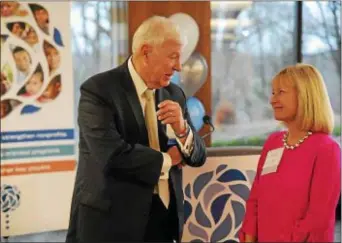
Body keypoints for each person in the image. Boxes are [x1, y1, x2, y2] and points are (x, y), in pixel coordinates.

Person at [66, 16, 207, 243]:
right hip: (111, 224)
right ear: (146, 52)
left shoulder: (175, 93)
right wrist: (167, 160)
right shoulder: (98, 91)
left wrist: (182, 130)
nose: (179, 66)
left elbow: (198, 157)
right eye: (173, 57)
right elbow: (111, 155)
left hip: (163, 221)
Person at [239, 64, 341, 242]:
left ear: (305, 96)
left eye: (281, 92)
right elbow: (255, 198)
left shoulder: (326, 149)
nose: (272, 100)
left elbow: (318, 218)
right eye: (273, 93)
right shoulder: (273, 142)